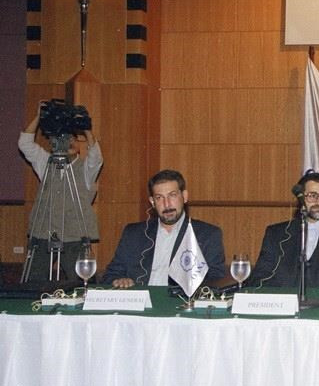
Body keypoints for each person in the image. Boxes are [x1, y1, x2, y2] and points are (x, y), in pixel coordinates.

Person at [18, 105, 103, 281]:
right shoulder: (45, 163)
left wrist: (87, 130)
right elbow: (24, 144)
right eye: (62, 138)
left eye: (73, 139)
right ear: (53, 143)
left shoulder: (86, 169)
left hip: (75, 236)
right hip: (43, 233)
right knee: (33, 283)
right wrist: (38, 117)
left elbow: (96, 158)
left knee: (81, 285)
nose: (68, 142)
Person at [102, 169, 226, 288]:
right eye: (159, 198)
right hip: (140, 304)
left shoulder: (207, 235)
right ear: (152, 202)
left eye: (172, 195)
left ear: (184, 196)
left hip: (179, 304)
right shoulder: (134, 233)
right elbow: (111, 274)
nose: (167, 204)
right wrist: (119, 280)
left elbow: (216, 279)